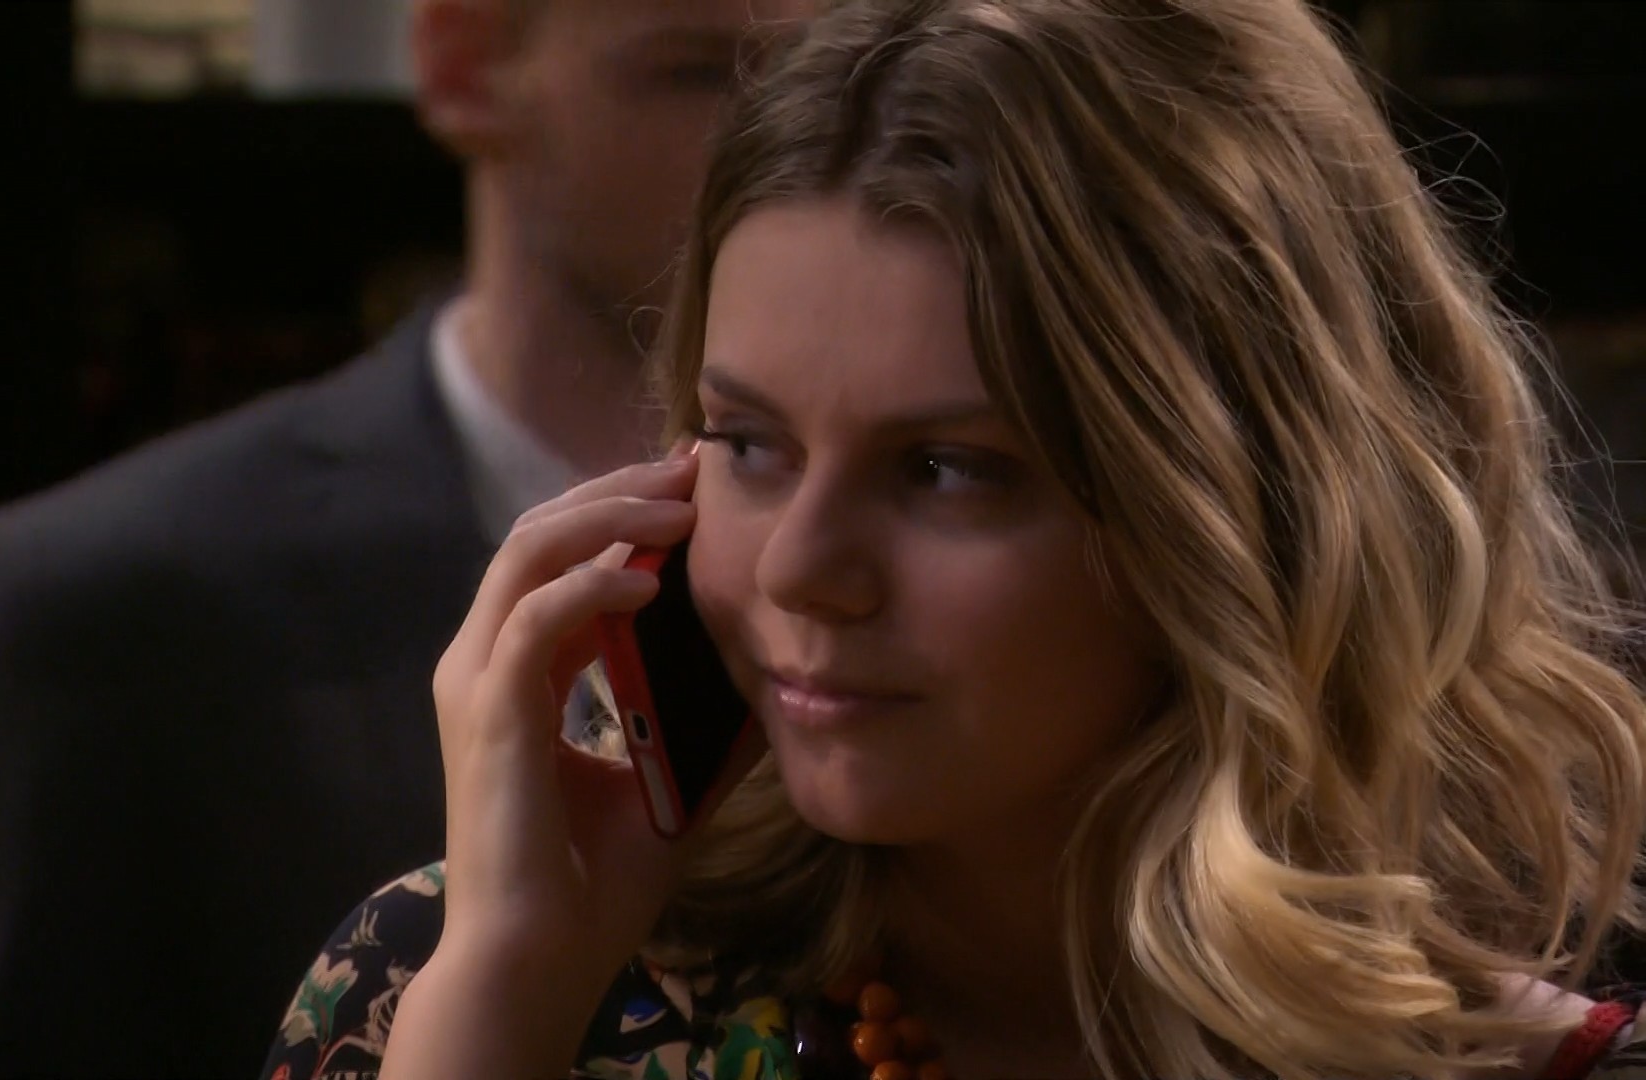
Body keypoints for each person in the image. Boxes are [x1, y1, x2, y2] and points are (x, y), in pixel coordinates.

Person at [259, 0, 1646, 1077]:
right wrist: (504, 1002)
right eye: (749, 444)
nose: (800, 569)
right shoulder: (465, 983)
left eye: (944, 470)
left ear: (1241, 514)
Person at [0, 1, 816, 1076]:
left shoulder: (889, 587)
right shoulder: (109, 599)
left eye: (812, 65)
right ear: (465, 64)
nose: (788, 136)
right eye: (697, 73)